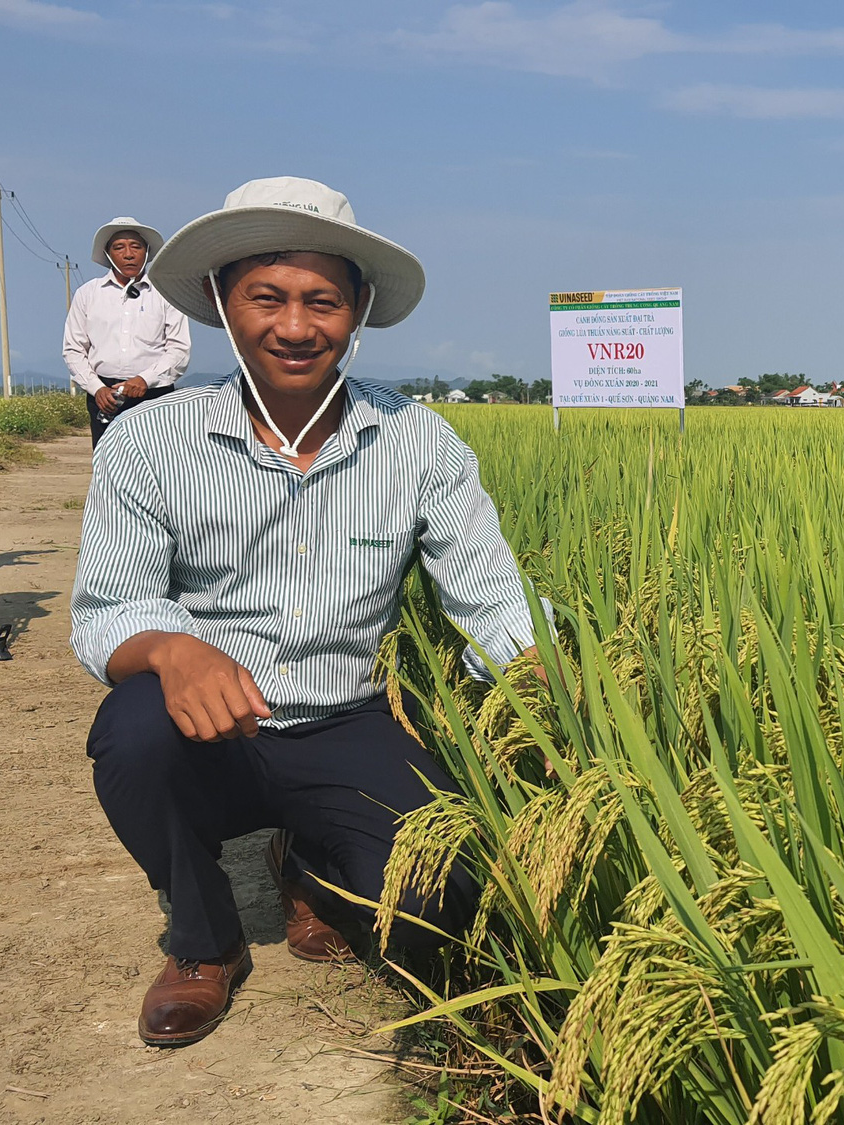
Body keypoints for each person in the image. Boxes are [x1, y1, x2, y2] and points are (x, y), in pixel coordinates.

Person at [71, 177, 542, 1047]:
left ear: (357, 309)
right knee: (130, 734)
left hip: (349, 715)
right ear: (221, 301)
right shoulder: (148, 442)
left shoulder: (419, 443)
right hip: (214, 718)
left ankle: (315, 865)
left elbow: (490, 599)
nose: (295, 326)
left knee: (442, 901)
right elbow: (106, 610)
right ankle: (204, 939)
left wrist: (535, 660)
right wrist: (174, 650)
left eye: (322, 300)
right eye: (268, 298)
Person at [62, 217, 189, 446]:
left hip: (155, 394)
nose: (129, 254)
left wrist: (145, 379)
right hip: (105, 396)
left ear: (147, 252)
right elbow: (73, 349)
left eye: (136, 247)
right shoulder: (88, 294)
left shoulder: (166, 293)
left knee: (159, 462)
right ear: (108, 254)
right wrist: (96, 388)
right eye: (119, 247)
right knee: (108, 464)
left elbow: (179, 349)